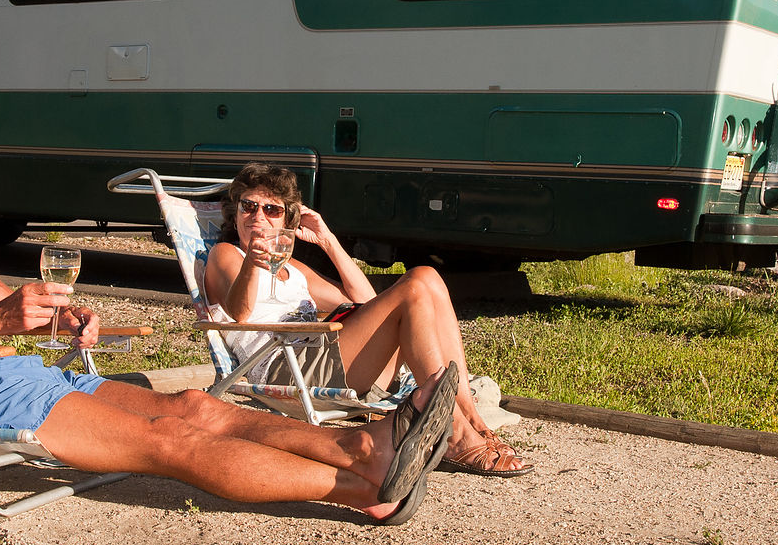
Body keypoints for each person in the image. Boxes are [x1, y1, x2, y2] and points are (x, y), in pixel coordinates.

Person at [0, 96, 459, 525]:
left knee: (197, 407)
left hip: (28, 378)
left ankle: (362, 445)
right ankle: (362, 488)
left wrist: (65, 318)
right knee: (168, 439)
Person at [203, 163, 532, 478]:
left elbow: (365, 301)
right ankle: (456, 433)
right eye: (249, 206)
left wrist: (328, 241)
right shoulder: (227, 255)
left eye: (271, 209)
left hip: (322, 355)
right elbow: (240, 313)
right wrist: (254, 264)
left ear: (287, 220)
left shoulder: (295, 271)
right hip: (284, 364)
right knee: (414, 285)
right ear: (237, 211)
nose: (257, 217)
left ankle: (472, 419)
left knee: (427, 277)